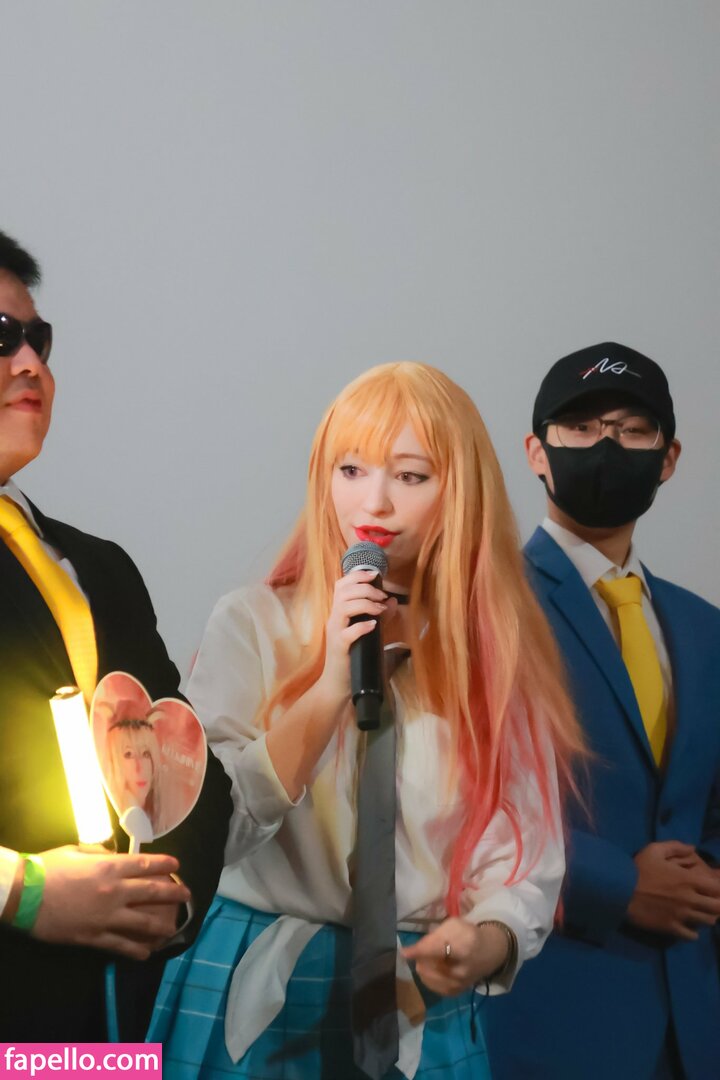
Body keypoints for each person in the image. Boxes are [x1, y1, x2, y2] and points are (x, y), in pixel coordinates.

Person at [150, 361, 583, 1079]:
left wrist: (489, 939)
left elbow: (527, 857)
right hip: (255, 979)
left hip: (416, 997)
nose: (373, 501)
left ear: (461, 492)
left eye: (411, 476)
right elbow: (209, 831)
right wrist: (328, 686)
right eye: (350, 470)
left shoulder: (497, 651)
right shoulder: (253, 623)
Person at [0, 229, 232, 1041]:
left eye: (38, 339)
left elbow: (193, 768)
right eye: (0, 339)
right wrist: (21, 890)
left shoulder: (99, 566)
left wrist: (166, 902)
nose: (29, 364)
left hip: (104, 1028)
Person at [482, 342, 720, 1080]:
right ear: (536, 451)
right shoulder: (482, 605)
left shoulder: (703, 626)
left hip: (693, 1014)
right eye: (581, 428)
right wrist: (617, 882)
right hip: (546, 1006)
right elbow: (460, 791)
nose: (606, 447)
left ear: (668, 458)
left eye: (632, 430)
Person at [105, 712, 165, 837]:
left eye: (145, 754)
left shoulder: (159, 815)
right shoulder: (109, 821)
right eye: (128, 754)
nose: (139, 767)